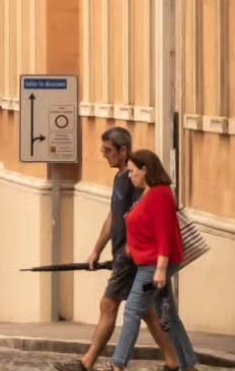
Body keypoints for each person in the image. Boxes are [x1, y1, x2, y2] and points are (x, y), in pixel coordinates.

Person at [79, 129, 178, 371]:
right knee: (147, 311)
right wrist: (96, 250)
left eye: (108, 150)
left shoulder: (134, 180)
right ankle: (174, 360)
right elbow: (113, 216)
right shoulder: (120, 178)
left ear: (123, 151)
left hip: (130, 256)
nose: (104, 155)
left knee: (109, 304)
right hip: (126, 254)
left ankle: (89, 362)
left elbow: (145, 221)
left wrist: (131, 253)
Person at [110, 149, 197, 371]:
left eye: (133, 171)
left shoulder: (160, 194)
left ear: (145, 170)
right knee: (168, 315)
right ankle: (188, 365)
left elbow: (163, 233)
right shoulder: (148, 192)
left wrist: (160, 269)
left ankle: (118, 364)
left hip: (153, 267)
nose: (130, 176)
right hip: (149, 263)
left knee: (132, 310)